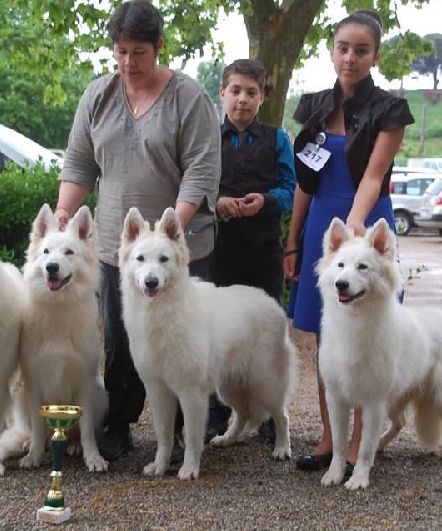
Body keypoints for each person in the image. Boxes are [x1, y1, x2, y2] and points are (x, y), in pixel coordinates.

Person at [54, 0, 221, 462]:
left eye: (139, 53)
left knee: (186, 339)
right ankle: (121, 425)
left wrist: (167, 235)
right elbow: (79, 163)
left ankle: (192, 430)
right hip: (117, 249)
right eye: (121, 51)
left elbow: (203, 173)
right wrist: (64, 215)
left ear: (160, 47)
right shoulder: (98, 95)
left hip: (177, 247)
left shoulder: (190, 98)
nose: (128, 63)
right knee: (123, 341)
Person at [284, 10, 415, 474]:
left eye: (362, 50)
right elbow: (305, 181)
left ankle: (361, 442)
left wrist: (356, 228)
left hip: (365, 227)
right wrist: (295, 239)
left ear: (375, 55)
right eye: (343, 48)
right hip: (324, 224)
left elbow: (374, 176)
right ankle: (330, 441)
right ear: (332, 51)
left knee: (370, 340)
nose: (351, 57)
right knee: (327, 339)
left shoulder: (390, 110)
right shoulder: (313, 106)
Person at [209, 58, 297, 443]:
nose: (242, 100)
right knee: (216, 330)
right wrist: (216, 202)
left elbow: (290, 190)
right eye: (235, 91)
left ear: (263, 97)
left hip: (263, 252)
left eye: (251, 92)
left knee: (267, 333)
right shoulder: (208, 137)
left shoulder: (278, 139)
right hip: (219, 251)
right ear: (223, 93)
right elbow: (195, 183)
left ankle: (268, 414)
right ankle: (216, 412)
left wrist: (265, 200)